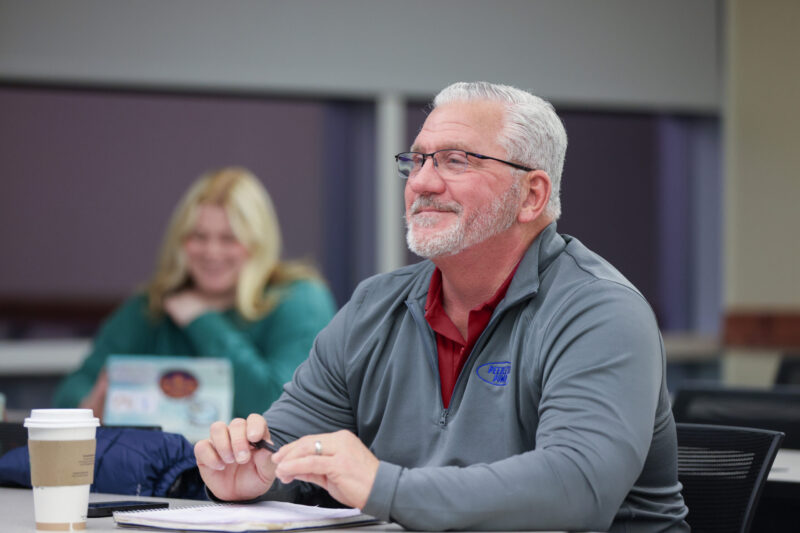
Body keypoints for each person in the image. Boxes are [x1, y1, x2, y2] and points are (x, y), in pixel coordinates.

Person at [194, 83, 689, 532]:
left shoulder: (601, 312)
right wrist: (253, 472)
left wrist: (381, 486)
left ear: (532, 195)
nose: (422, 183)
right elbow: (288, 441)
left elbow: (576, 487)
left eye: (455, 161)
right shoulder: (374, 305)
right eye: (418, 160)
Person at [53, 167, 337, 419]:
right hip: (162, 473)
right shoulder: (153, 305)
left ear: (257, 244)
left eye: (229, 239)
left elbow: (280, 406)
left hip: (269, 475)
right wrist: (89, 405)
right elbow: (71, 392)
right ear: (181, 241)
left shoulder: (300, 299)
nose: (212, 252)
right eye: (199, 237)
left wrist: (201, 321)